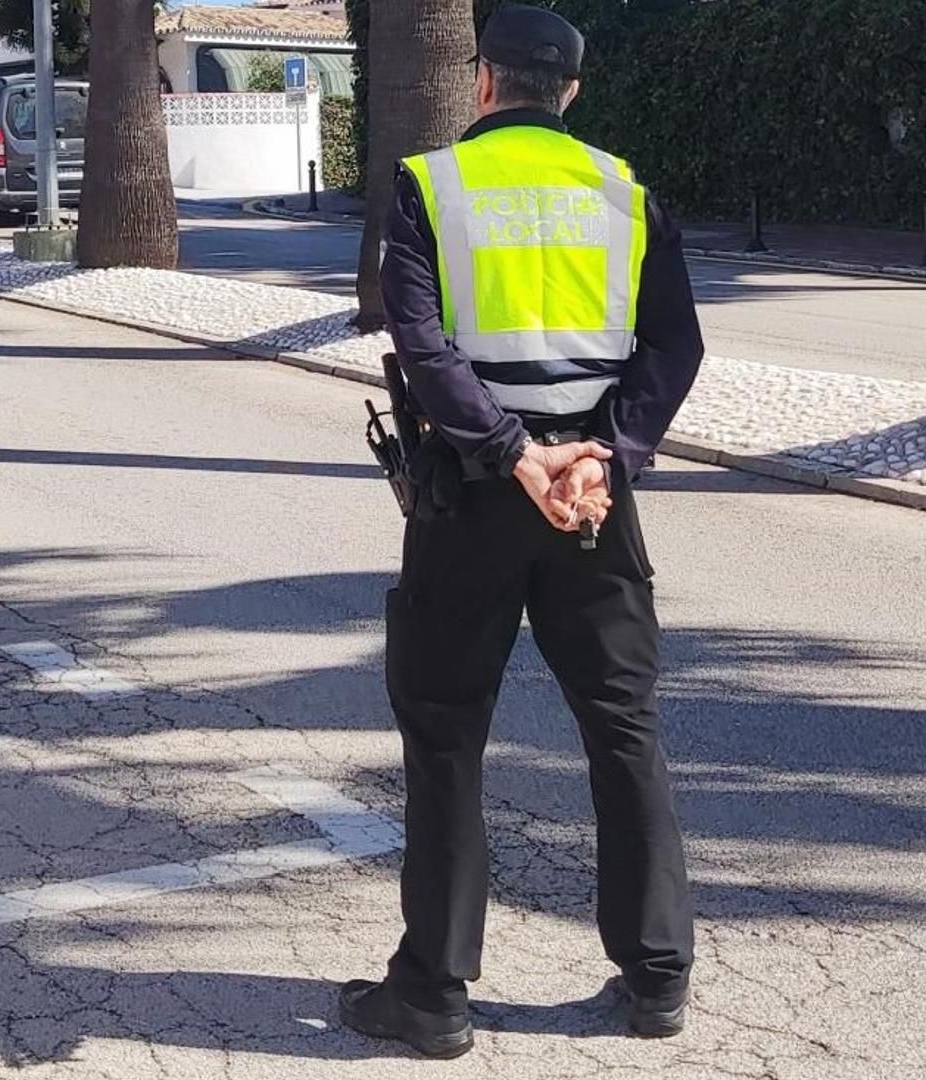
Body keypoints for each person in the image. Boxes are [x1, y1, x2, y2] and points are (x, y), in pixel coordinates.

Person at [339, 3, 705, 1059]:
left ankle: (435, 993)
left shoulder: (432, 188)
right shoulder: (623, 192)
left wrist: (513, 454)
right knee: (623, 726)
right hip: (593, 500)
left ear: (484, 80)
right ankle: (657, 979)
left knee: (447, 732)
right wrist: (606, 455)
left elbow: (419, 337)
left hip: (475, 495)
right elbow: (673, 347)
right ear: (573, 93)